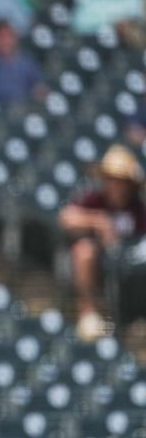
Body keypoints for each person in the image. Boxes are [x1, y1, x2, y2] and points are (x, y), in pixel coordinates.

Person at [58, 144, 146, 341]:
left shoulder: (137, 207)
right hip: (99, 260)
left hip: (131, 263)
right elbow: (67, 217)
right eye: (112, 180)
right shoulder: (94, 199)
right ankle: (89, 313)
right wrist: (98, 221)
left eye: (121, 181)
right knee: (84, 251)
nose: (116, 186)